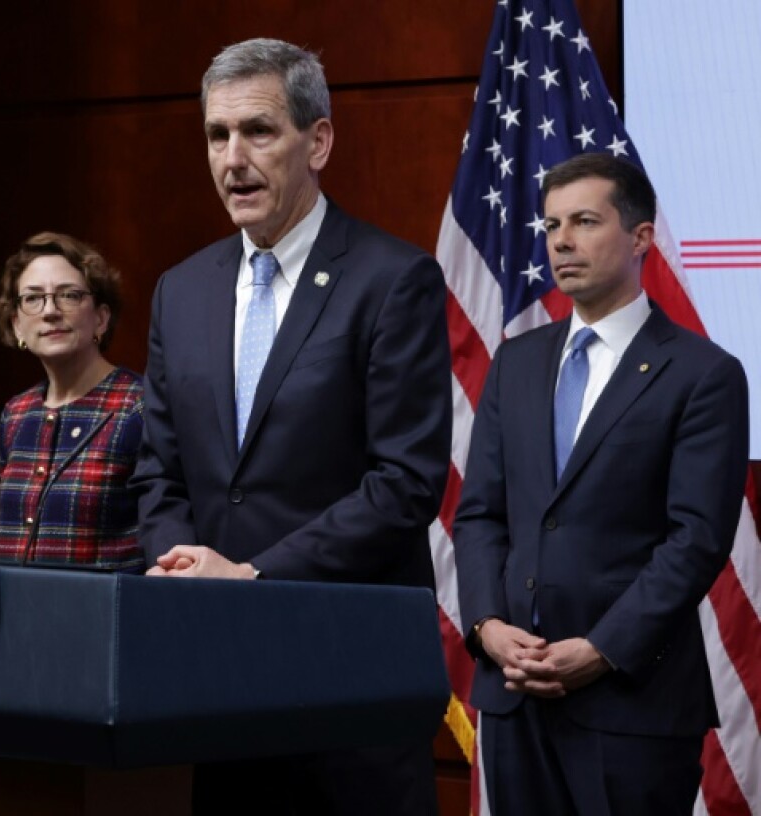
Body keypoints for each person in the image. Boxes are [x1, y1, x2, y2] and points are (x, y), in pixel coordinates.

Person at [132, 38, 451, 814]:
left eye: (259, 131)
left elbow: (402, 484)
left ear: (319, 141)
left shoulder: (392, 280)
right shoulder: (182, 290)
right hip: (217, 686)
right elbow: (158, 471)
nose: (233, 158)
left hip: (350, 684)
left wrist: (254, 578)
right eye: (217, 135)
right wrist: (180, 565)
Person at [454, 153, 749, 816]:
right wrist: (486, 625)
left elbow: (696, 539)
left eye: (585, 221)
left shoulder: (704, 374)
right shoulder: (517, 363)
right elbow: (479, 516)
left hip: (630, 703)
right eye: (552, 224)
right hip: (513, 693)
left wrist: (601, 649)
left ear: (640, 237)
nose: (561, 240)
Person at [0, 231, 144, 572]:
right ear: (17, 324)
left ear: (101, 319)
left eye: (69, 295)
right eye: (33, 299)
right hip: (21, 619)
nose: (50, 311)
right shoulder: (15, 415)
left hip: (106, 618)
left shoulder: (139, 407)